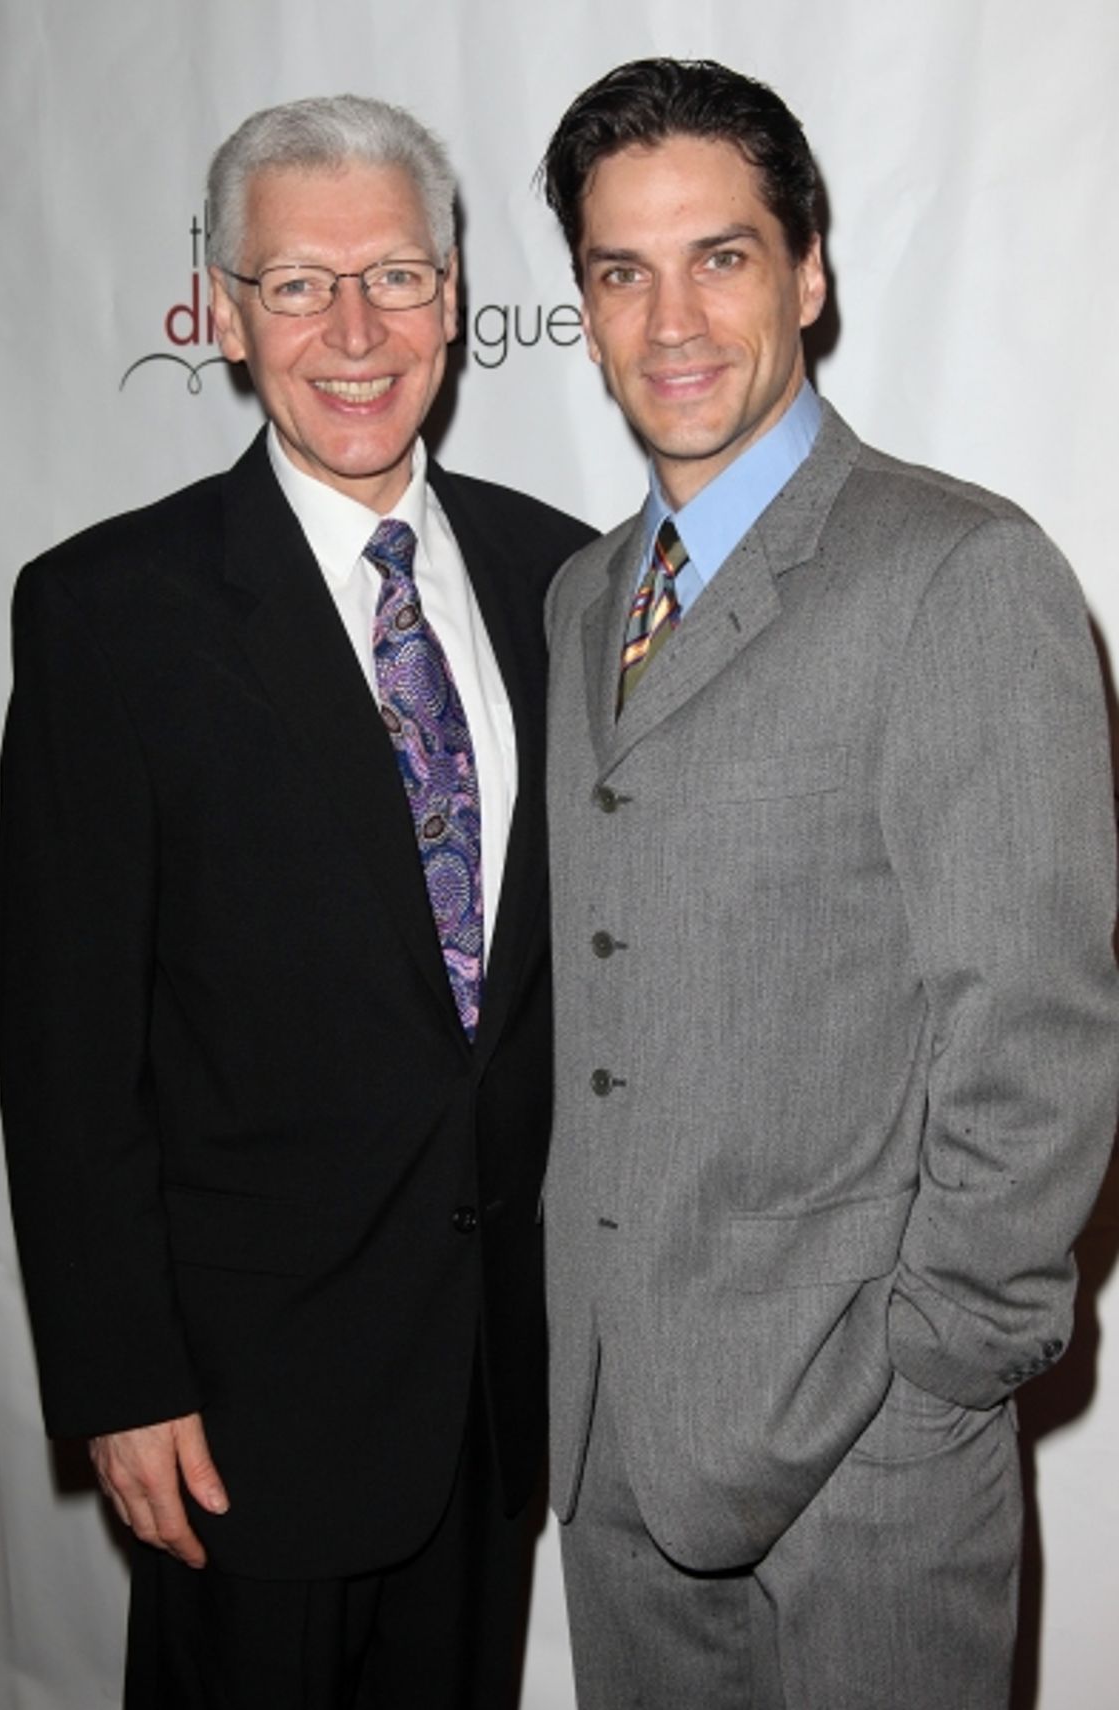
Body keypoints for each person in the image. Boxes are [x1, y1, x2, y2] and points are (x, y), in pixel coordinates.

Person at [0, 93, 593, 1710]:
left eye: (395, 276)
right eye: (298, 283)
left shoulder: (569, 579)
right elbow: (66, 1044)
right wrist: (122, 1379)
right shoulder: (111, 613)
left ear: (457, 299)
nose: (353, 327)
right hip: (242, 1419)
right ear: (226, 313)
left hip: (492, 1386)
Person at [537, 56, 1118, 1710]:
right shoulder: (584, 598)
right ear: (580, 303)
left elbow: (1037, 1034)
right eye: (620, 270)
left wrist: (934, 1371)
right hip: (618, 1445)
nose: (671, 319)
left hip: (868, 1464)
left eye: (718, 255)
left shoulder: (961, 573)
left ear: (808, 269)